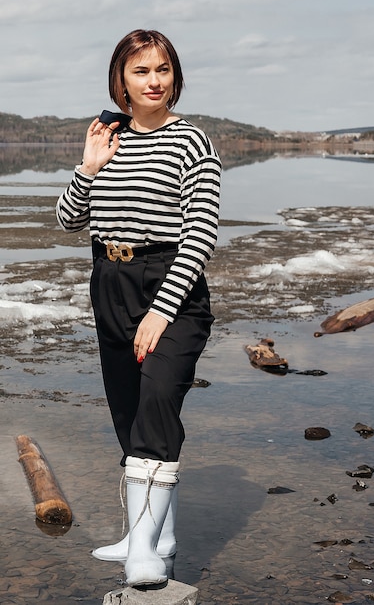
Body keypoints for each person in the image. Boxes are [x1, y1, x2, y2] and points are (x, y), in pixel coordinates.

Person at [56, 29, 221, 587]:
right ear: (120, 80)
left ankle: (144, 548)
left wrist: (161, 310)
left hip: (171, 285)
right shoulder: (110, 137)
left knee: (156, 401)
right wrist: (89, 167)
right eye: (140, 72)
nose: (154, 82)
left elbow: (199, 237)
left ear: (175, 74)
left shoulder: (192, 143)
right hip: (109, 282)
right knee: (128, 412)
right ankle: (156, 535)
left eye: (162, 70)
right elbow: (69, 220)